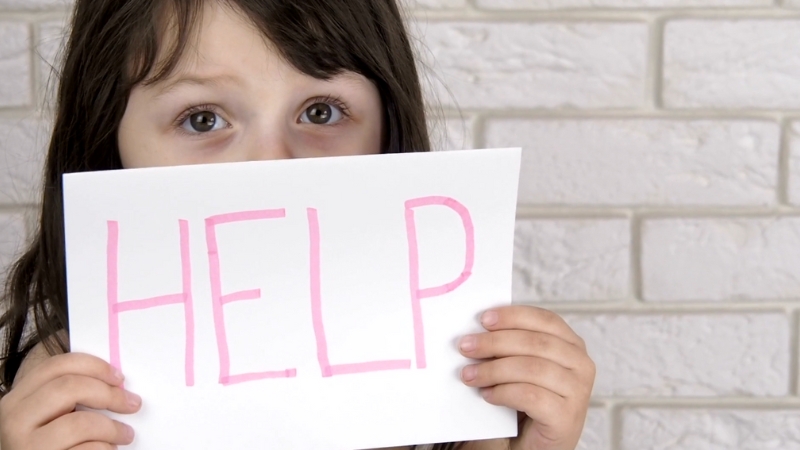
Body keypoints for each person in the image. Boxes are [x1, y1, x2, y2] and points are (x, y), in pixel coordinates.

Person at [0, 0, 596, 449]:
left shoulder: (453, 377)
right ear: (108, 142)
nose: (270, 165)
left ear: (388, 135)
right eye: (202, 119)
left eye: (320, 111)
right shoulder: (61, 410)